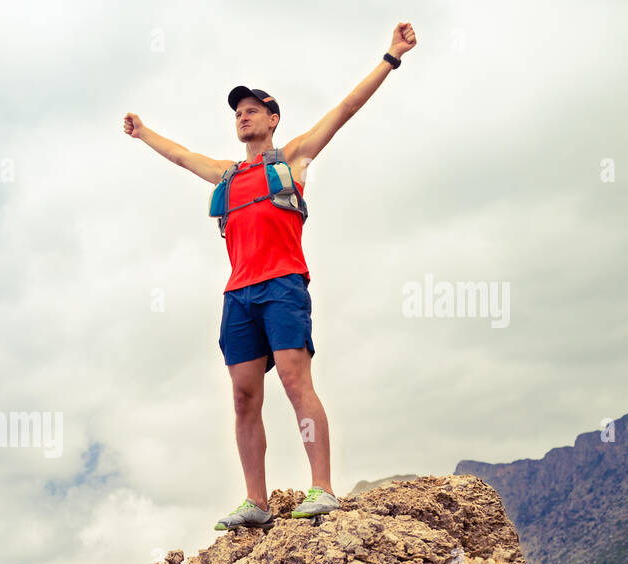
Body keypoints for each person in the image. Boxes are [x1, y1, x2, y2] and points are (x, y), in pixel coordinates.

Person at [123, 22, 417, 528]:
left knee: (294, 379)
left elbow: (345, 109)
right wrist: (143, 131)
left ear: (272, 118)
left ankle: (322, 488)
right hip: (238, 294)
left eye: (252, 110)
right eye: (238, 113)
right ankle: (256, 502)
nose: (242, 117)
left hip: (283, 284)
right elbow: (179, 155)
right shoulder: (227, 174)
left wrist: (390, 56)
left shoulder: (294, 159)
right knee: (242, 396)